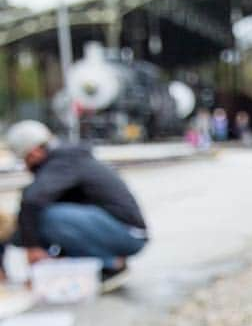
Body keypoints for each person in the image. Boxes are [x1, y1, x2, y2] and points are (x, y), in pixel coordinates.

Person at [0, 120, 148, 291]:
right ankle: (79, 265)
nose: (26, 167)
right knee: (23, 226)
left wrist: (34, 248)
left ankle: (111, 264)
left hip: (129, 233)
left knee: (47, 217)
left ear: (34, 153)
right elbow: (24, 215)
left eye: (25, 160)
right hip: (106, 228)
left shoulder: (65, 161)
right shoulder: (57, 166)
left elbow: (32, 201)